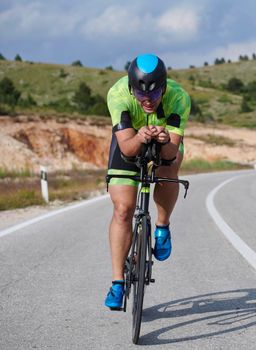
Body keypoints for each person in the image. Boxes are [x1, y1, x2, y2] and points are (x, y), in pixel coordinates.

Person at [104, 54, 190, 309]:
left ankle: (162, 226)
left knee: (170, 168)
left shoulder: (178, 97)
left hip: (166, 141)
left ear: (164, 87)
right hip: (130, 139)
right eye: (141, 96)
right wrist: (141, 137)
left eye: (154, 95)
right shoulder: (118, 94)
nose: (148, 101)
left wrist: (163, 140)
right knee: (123, 210)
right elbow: (128, 150)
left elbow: (170, 154)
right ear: (132, 88)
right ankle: (117, 283)